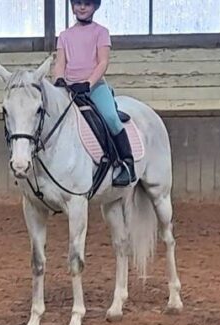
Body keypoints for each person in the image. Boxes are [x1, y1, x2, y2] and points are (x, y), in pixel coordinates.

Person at [53, 0, 136, 186]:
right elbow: (60, 63)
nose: (82, 7)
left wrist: (88, 84)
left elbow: (103, 62)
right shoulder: (64, 35)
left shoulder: (101, 32)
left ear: (95, 7)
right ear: (72, 6)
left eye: (87, 4)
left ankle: (126, 164)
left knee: (110, 117)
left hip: (94, 87)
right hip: (70, 89)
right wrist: (59, 79)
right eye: (78, 3)